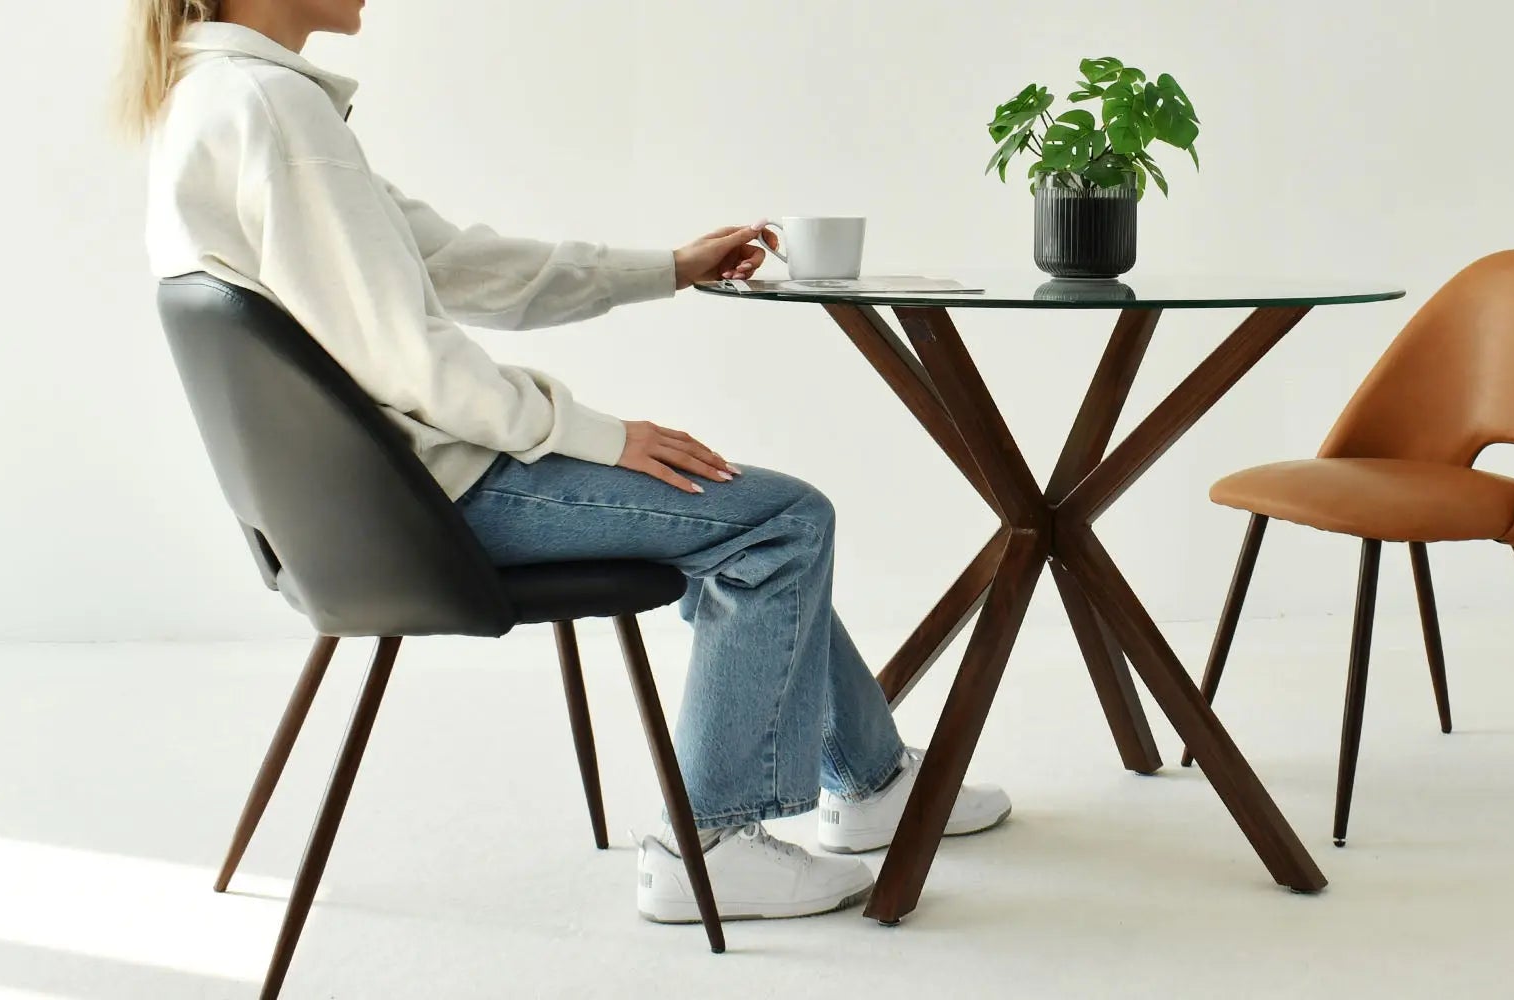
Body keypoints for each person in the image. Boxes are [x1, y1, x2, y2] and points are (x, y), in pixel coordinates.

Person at [119, 0, 1009, 923]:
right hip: (438, 502)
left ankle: (869, 782)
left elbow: (455, 263)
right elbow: (408, 357)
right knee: (780, 521)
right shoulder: (274, 109)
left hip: (357, 511)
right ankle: (708, 842)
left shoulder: (215, 99)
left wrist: (665, 266)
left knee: (741, 516)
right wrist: (594, 432)